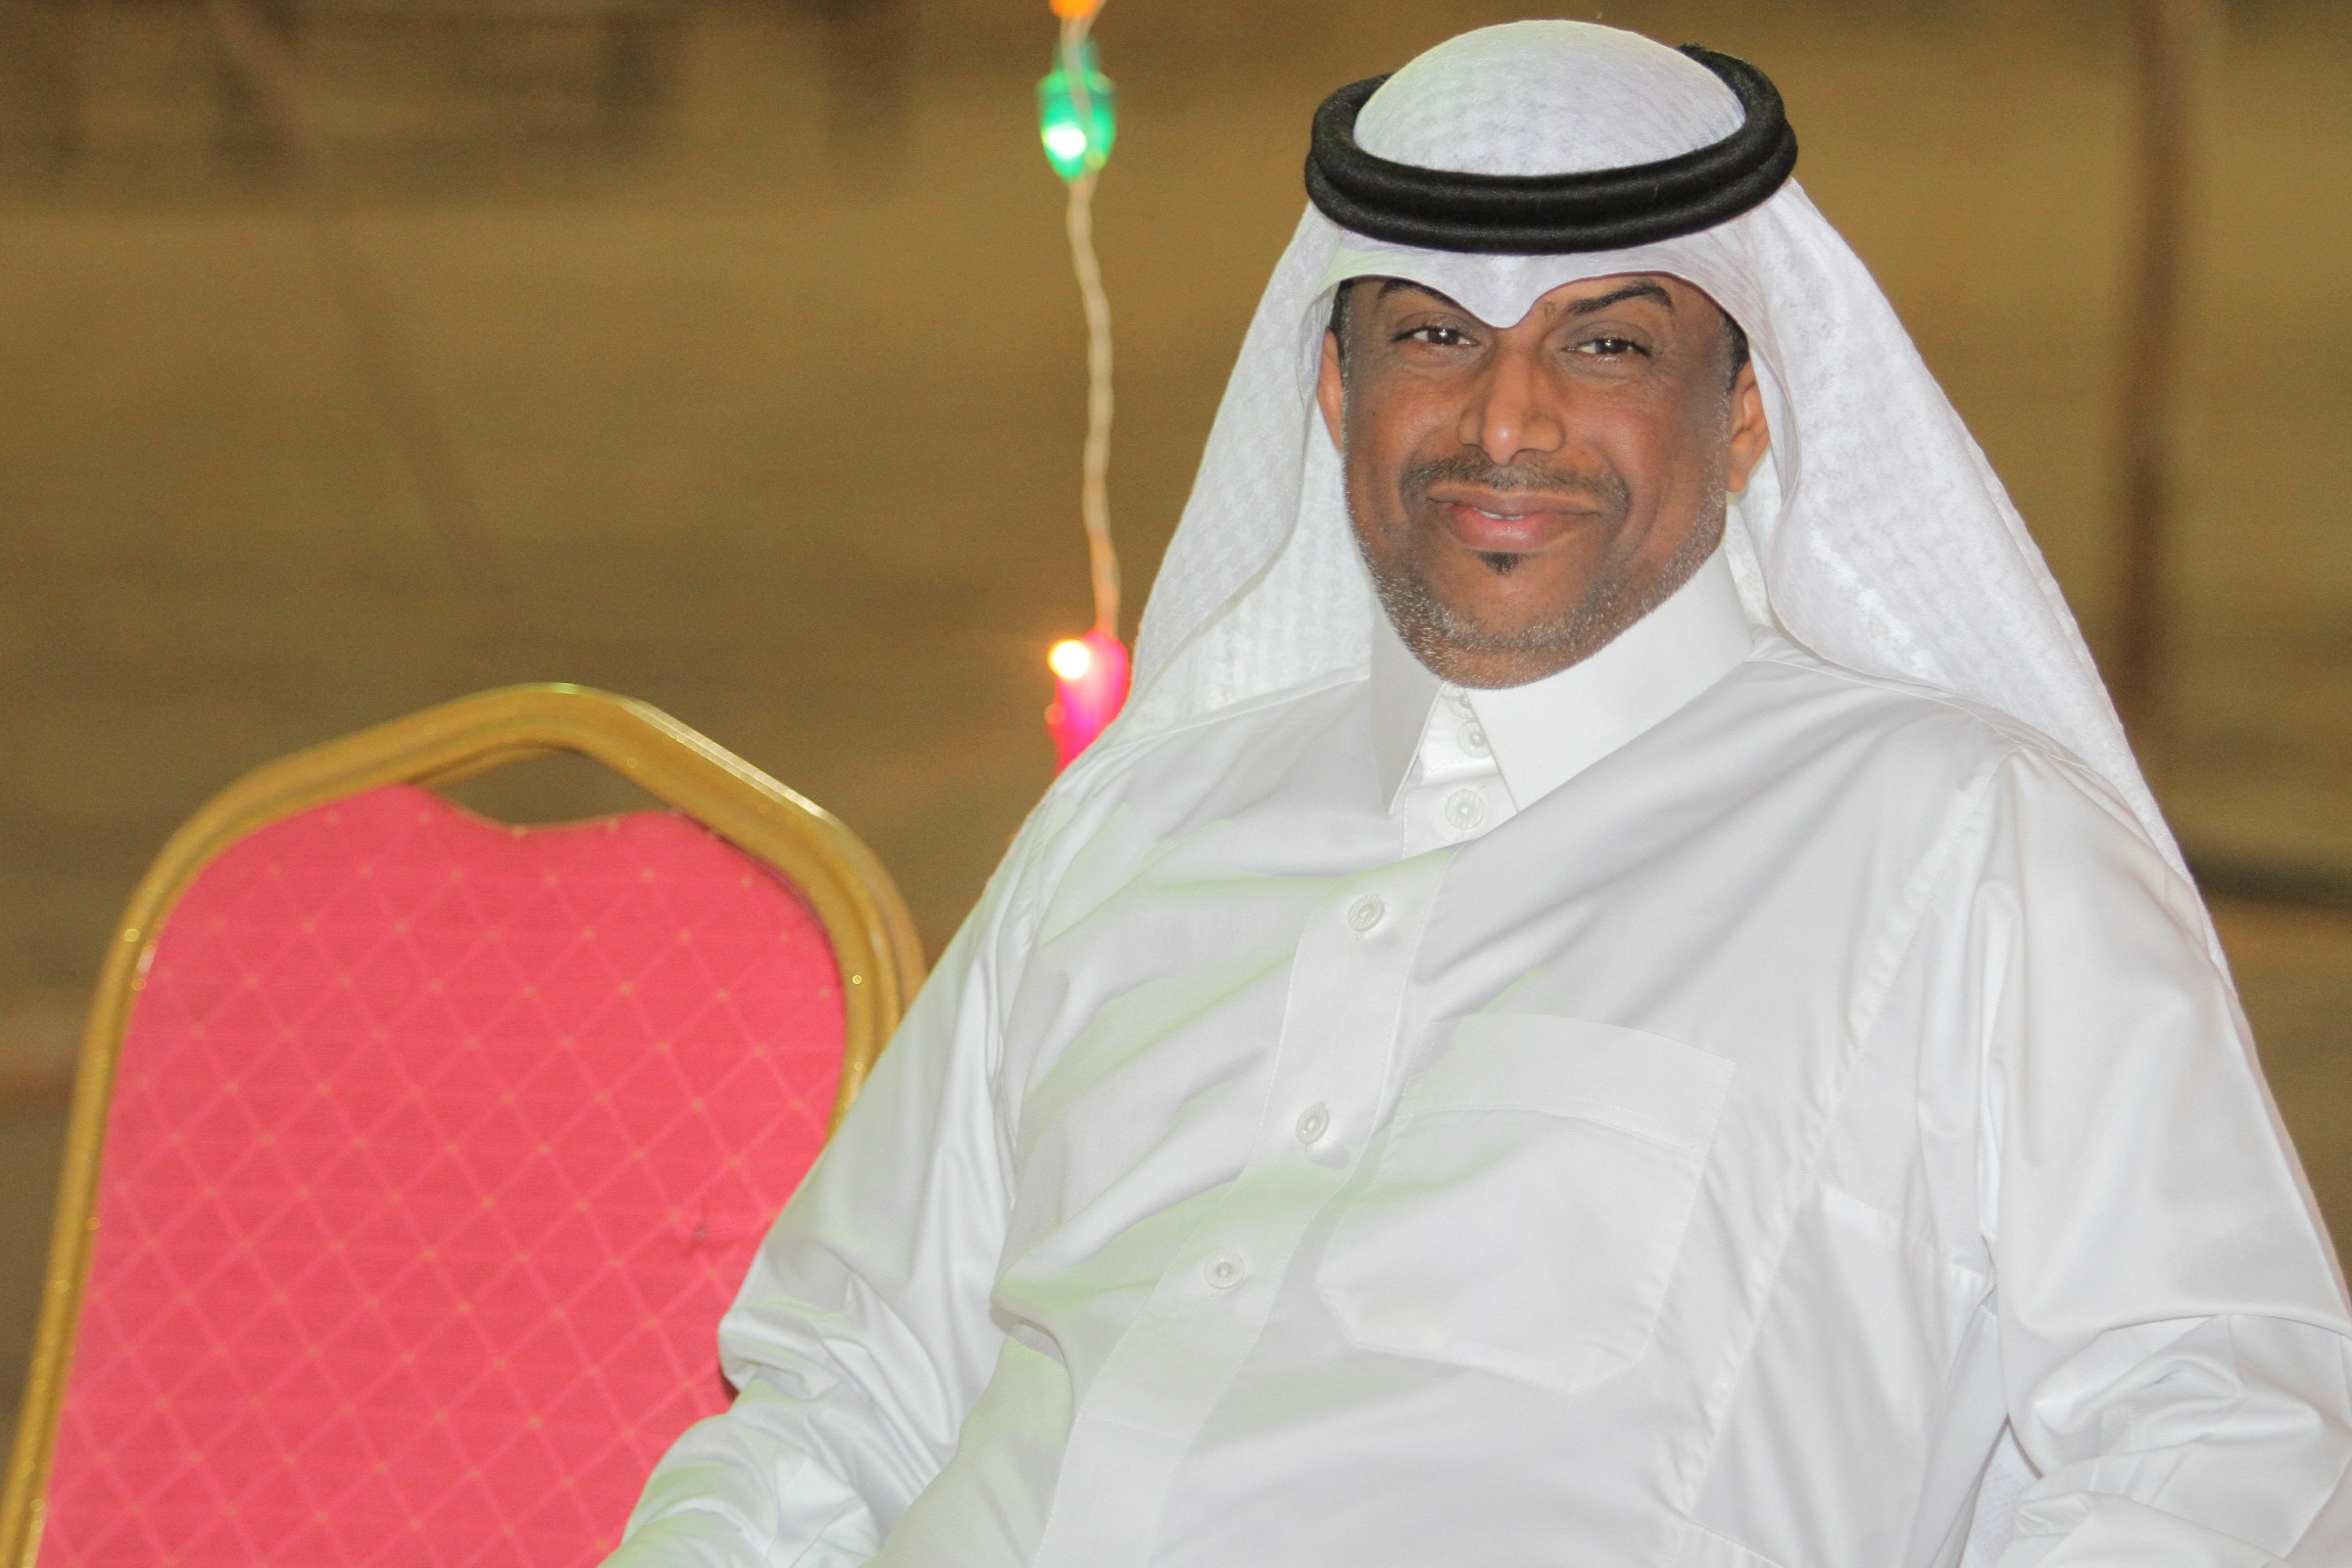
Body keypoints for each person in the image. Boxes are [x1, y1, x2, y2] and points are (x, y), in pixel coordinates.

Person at [608, 23, 2352, 1568]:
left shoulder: (1964, 843)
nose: (1505, 422)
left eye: (1607, 346)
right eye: (1436, 334)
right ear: (1333, 386)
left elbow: (2228, 1426)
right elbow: (838, 1403)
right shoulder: (1135, 823)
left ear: (1747, 413)